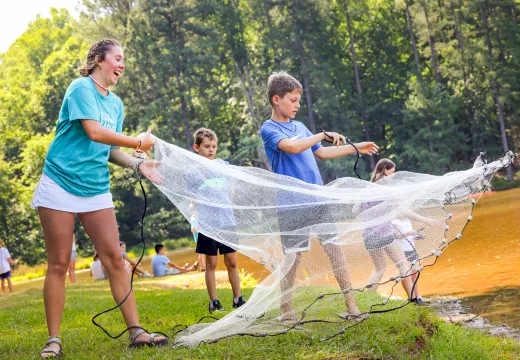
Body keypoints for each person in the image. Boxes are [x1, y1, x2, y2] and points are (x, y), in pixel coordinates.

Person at [31, 39, 167, 358]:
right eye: (117, 58)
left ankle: (136, 332)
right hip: (60, 183)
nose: (122, 64)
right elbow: (93, 132)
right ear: (98, 60)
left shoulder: (116, 104)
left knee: (115, 259)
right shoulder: (81, 88)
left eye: (123, 60)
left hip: (95, 188)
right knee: (60, 262)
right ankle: (53, 340)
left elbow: (108, 150)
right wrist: (138, 141)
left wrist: (138, 163)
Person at [260, 71, 379, 321]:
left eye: (298, 100)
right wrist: (323, 133)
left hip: (318, 199)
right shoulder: (269, 129)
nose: (297, 105)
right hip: (290, 205)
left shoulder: (301, 127)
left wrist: (355, 148)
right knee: (292, 258)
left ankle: (352, 307)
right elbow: (292, 147)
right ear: (276, 99)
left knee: (335, 250)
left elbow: (322, 153)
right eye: (292, 100)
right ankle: (286, 310)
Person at [360, 158, 433, 305]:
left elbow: (356, 210)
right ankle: (413, 299)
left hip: (368, 235)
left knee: (379, 269)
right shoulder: (386, 190)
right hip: (384, 234)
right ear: (384, 171)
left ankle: (366, 298)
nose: (393, 174)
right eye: (391, 171)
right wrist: (425, 220)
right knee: (403, 265)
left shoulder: (368, 189)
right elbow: (403, 210)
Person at [189, 128, 246, 313]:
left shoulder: (222, 165)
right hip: (208, 224)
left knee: (232, 261)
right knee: (211, 264)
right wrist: (195, 220)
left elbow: (231, 188)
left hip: (227, 222)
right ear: (196, 147)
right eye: (207, 146)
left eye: (214, 146)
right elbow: (191, 198)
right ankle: (214, 302)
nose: (211, 149)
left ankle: (238, 298)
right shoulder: (194, 172)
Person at [189, 203, 206, 272]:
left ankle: (201, 266)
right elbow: (193, 229)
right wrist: (200, 229)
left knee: (202, 252)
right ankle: (203, 267)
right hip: (199, 236)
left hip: (199, 236)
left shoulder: (194, 216)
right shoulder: (194, 218)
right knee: (202, 253)